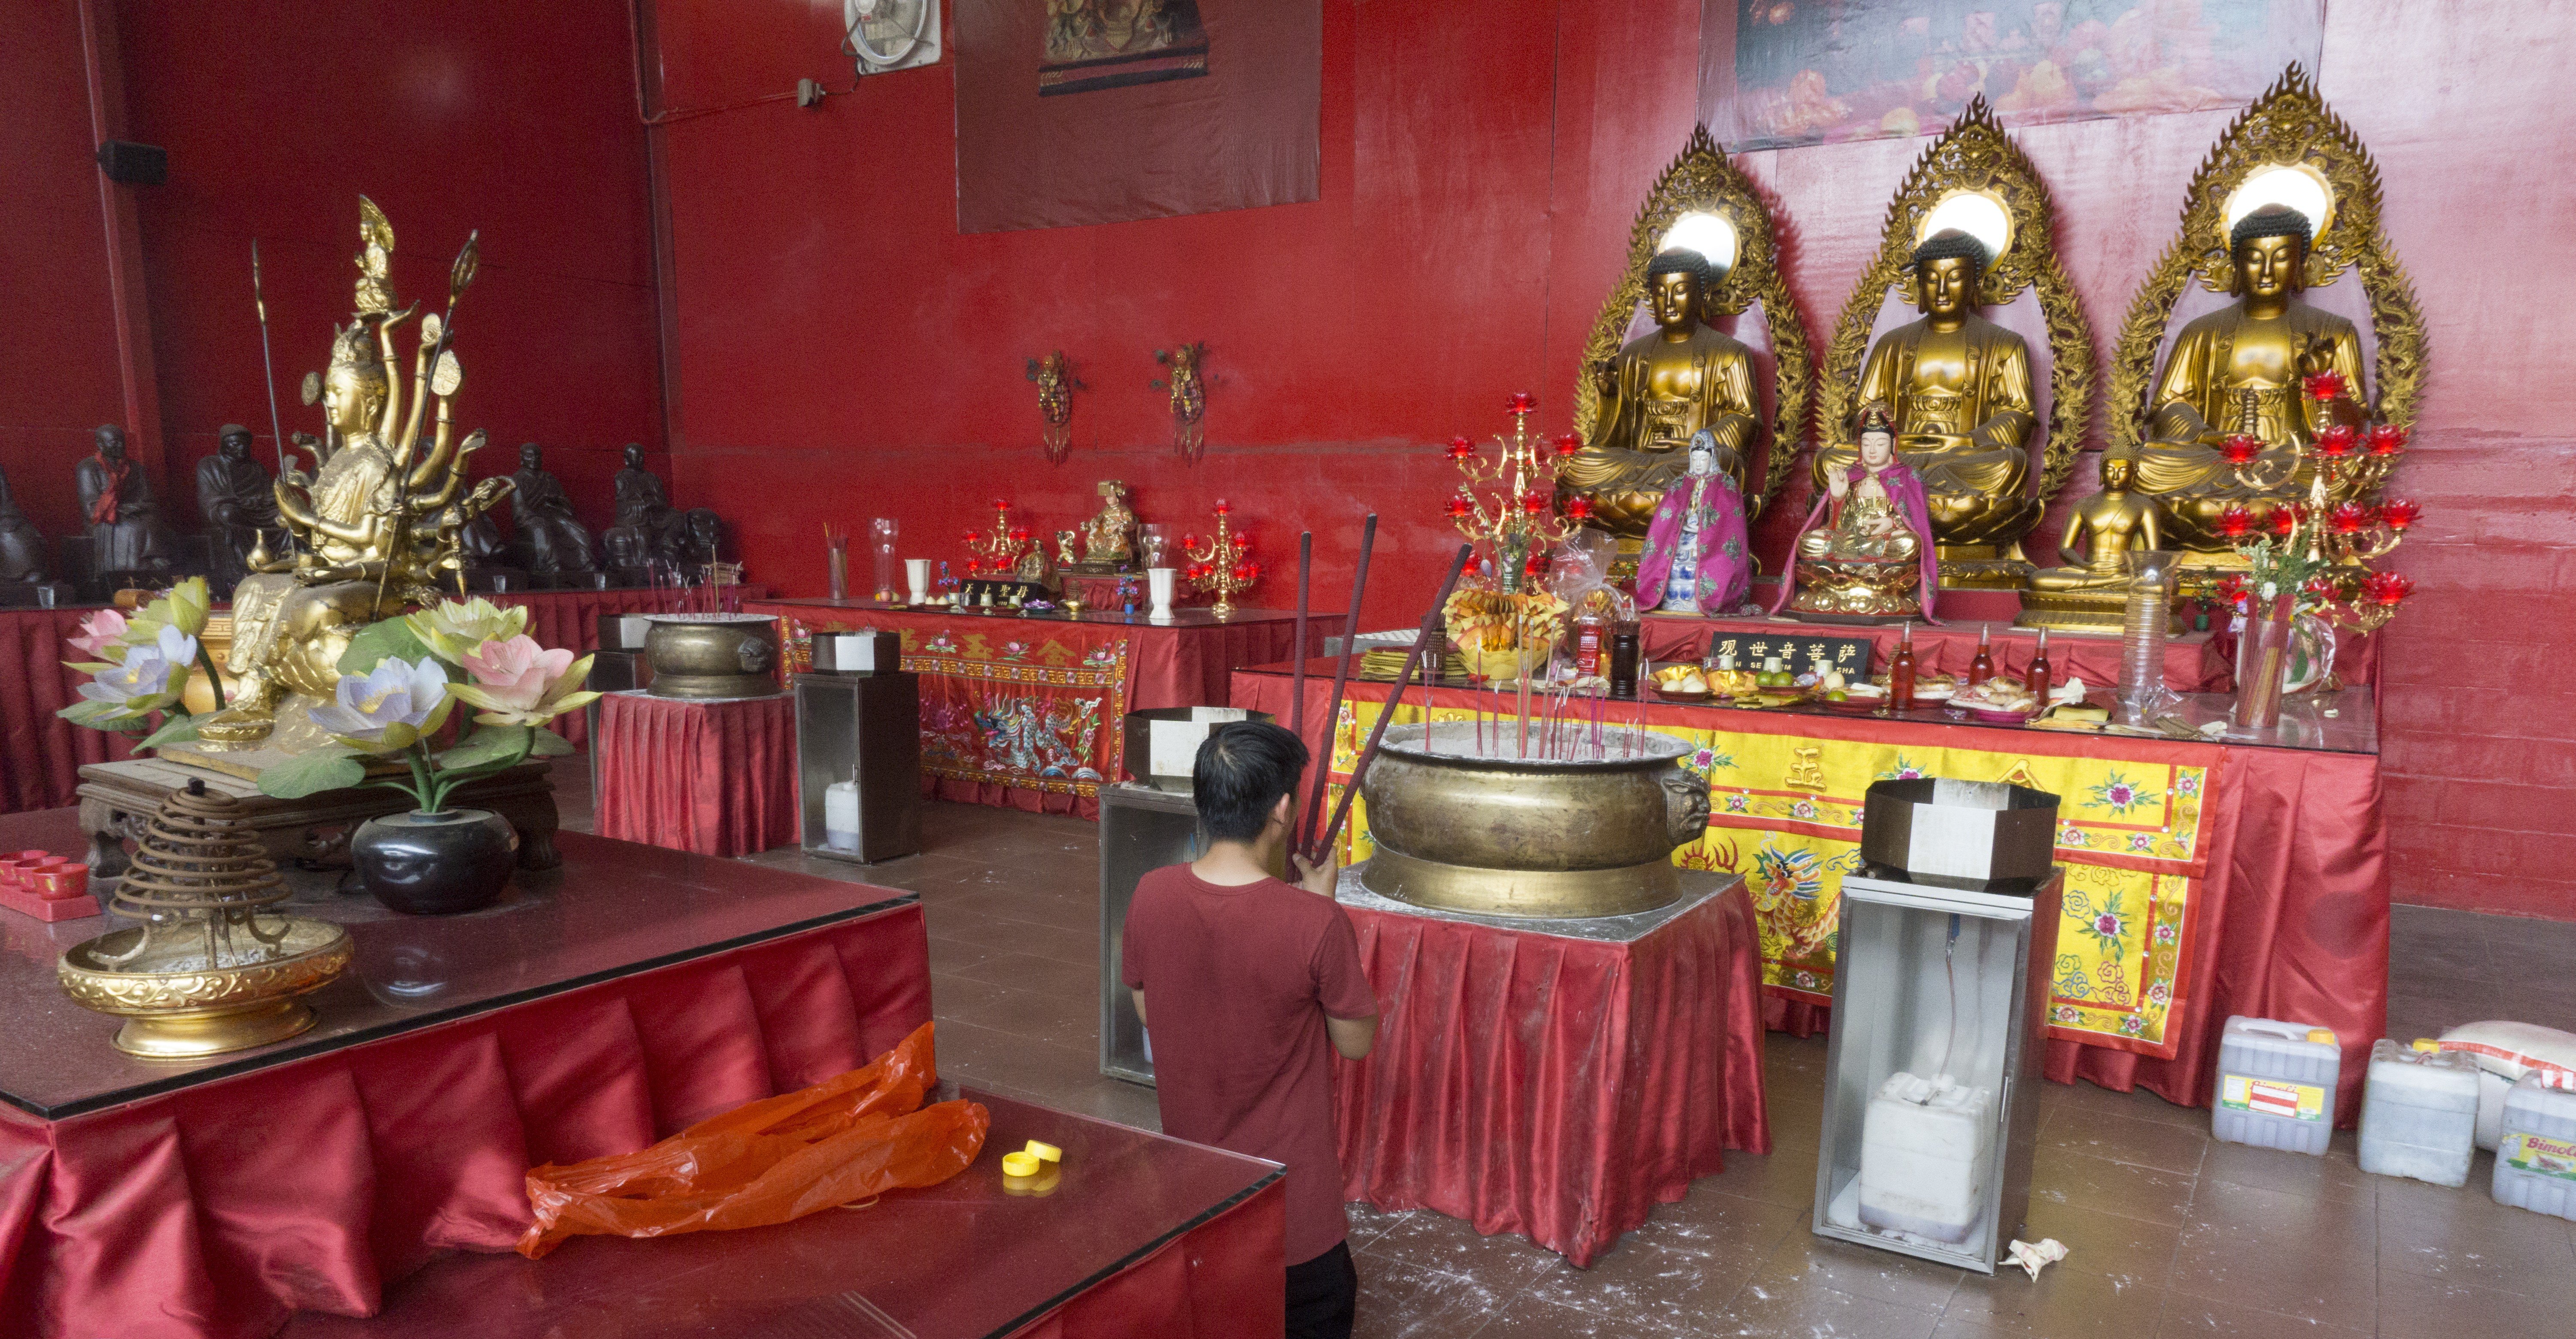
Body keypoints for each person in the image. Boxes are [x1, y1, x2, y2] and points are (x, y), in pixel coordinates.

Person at [1121, 722, 1379, 1339]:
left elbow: (1148, 1011)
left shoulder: (1150, 894)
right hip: (1295, 1219)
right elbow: (1356, 1041)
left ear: (1203, 802)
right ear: (1284, 808)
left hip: (1198, 1201)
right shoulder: (1313, 924)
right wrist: (1321, 908)